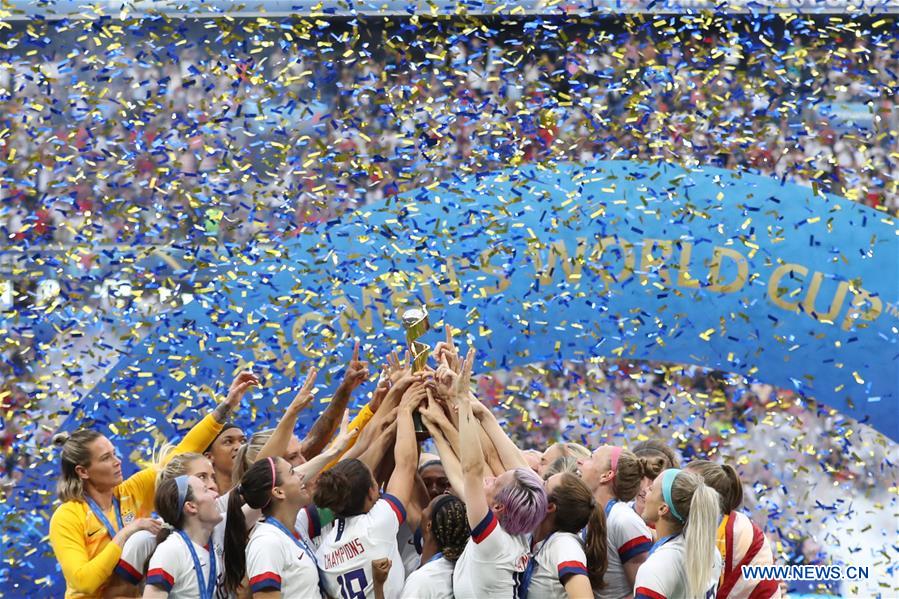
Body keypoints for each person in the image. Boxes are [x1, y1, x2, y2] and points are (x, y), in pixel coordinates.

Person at [48, 372, 257, 598]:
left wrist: (226, 406)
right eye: (106, 458)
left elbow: (183, 453)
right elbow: (83, 582)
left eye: (114, 454)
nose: (118, 461)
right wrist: (126, 533)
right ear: (83, 471)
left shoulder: (130, 491)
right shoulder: (67, 517)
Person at [444, 349, 548, 598]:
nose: (490, 477)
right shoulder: (522, 529)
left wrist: (463, 401)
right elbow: (516, 467)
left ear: (500, 507)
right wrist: (482, 412)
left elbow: (472, 469)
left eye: (495, 482)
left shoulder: (493, 540)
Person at [312, 376, 426, 599]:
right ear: (372, 492)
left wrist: (389, 425)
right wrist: (405, 411)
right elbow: (406, 465)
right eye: (375, 482)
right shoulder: (377, 525)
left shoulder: (323, 550)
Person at [108, 452, 219, 596]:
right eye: (201, 477)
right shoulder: (145, 540)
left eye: (213, 477)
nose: (212, 485)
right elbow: (118, 595)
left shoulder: (218, 524)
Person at [222, 457, 322, 598]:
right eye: (292, 472)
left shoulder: (289, 531)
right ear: (278, 492)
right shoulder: (267, 541)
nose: (302, 475)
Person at [686, 460, 781, 599]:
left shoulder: (741, 532)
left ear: (704, 496)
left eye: (683, 484)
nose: (676, 488)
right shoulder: (674, 524)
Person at [577, 446, 653, 599]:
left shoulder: (624, 520)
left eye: (591, 457)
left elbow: (643, 592)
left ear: (607, 475)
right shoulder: (586, 514)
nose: (580, 461)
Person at [635, 469, 722, 599]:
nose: (645, 491)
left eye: (652, 489)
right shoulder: (711, 550)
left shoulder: (656, 568)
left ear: (663, 508)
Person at [524, 472, 608, 598]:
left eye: (544, 484)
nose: (537, 485)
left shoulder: (564, 545)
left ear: (550, 507)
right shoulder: (532, 534)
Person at [142, 475, 223, 598]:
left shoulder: (214, 539)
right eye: (206, 490)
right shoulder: (171, 550)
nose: (215, 494)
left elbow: (253, 503)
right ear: (191, 507)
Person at [400, 494, 470, 599]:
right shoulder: (463, 569)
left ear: (429, 525)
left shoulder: (421, 581)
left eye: (427, 507)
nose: (423, 510)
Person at [631, 440, 680, 519]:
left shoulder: (682, 525)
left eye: (654, 479)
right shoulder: (616, 518)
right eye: (641, 477)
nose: (645, 488)